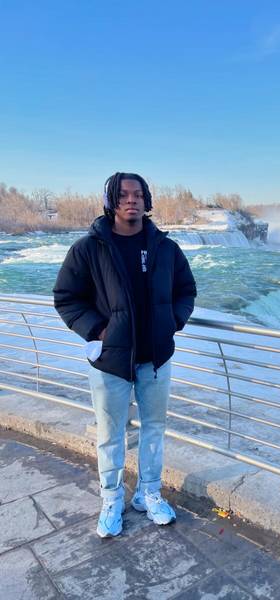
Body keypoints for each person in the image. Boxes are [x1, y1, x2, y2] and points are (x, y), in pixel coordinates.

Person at [53, 172, 196, 538]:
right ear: (111, 201)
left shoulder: (166, 248)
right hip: (110, 362)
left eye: (138, 194)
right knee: (109, 435)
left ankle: (148, 494)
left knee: (154, 430)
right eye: (123, 195)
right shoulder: (88, 248)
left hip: (155, 360)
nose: (131, 200)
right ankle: (112, 499)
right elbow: (66, 297)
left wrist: (172, 322)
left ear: (147, 201)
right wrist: (97, 331)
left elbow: (186, 290)